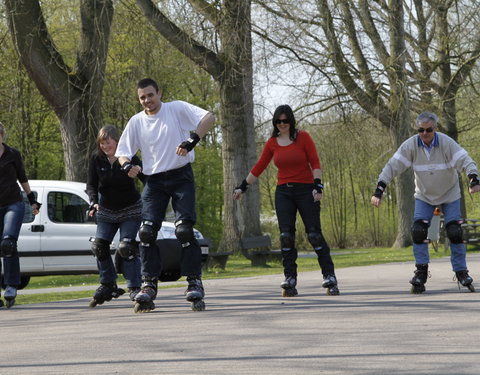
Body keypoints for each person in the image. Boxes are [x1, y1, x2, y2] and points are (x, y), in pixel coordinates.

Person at [116, 78, 215, 312]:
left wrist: (193, 139)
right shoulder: (136, 122)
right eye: (142, 97)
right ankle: (149, 284)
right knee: (147, 232)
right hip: (154, 181)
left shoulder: (176, 108)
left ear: (159, 93)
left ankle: (194, 282)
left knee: (184, 230)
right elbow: (122, 152)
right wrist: (125, 165)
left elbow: (209, 117)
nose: (147, 101)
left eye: (150, 95)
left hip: (181, 176)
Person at [233, 104, 339, 297]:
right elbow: (260, 166)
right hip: (283, 192)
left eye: (285, 121)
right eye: (278, 121)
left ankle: (329, 276)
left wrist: (318, 185)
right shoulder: (272, 142)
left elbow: (314, 162)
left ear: (291, 121)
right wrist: (242, 186)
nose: (282, 124)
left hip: (306, 190)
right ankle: (290, 278)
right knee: (286, 236)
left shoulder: (303, 137)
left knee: (314, 234)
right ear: (275, 123)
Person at [371, 111, 480, 293]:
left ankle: (461, 271)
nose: (424, 134)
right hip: (424, 195)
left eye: (428, 130)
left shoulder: (446, 143)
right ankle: (421, 271)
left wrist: (473, 179)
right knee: (418, 230)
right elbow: (393, 166)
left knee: (454, 231)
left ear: (435, 128)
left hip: (449, 193)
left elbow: (465, 160)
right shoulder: (411, 145)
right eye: (421, 130)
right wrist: (379, 190)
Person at [86, 125, 144, 307]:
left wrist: (153, 200)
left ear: (117, 141)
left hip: (130, 208)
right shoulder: (96, 159)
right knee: (99, 246)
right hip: (106, 209)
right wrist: (93, 201)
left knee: (126, 247)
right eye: (102, 143)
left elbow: (147, 179)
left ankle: (134, 287)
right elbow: (91, 185)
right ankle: (108, 283)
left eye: (108, 142)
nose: (104, 146)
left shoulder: (130, 157)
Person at [0, 122, 41, 308]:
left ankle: (10, 285)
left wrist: (32, 200)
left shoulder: (12, 154)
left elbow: (22, 177)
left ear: (2, 136)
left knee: (8, 243)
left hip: (13, 203)